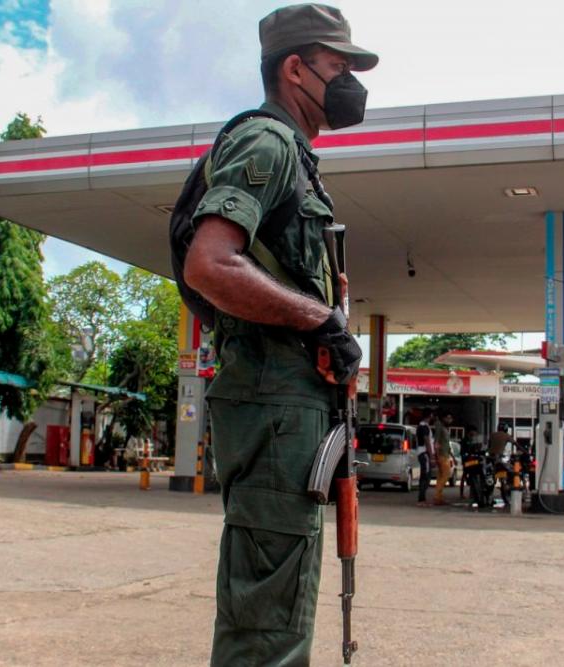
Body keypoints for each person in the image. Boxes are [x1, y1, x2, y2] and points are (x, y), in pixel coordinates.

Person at [181, 4, 376, 664]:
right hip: (271, 412)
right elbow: (210, 263)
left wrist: (327, 319)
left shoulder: (297, 156)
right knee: (266, 629)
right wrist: (318, 318)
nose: (349, 81)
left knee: (280, 612)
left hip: (287, 410)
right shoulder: (265, 142)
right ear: (295, 70)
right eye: (338, 67)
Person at [433, 411, 453, 505]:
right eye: (448, 418)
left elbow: (447, 445)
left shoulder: (445, 428)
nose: (450, 420)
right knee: (446, 475)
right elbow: (436, 442)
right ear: (444, 418)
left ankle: (439, 497)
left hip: (446, 454)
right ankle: (437, 496)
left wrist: (452, 456)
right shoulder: (440, 428)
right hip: (442, 455)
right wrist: (436, 456)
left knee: (441, 476)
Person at [415, 409, 435, 506]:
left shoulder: (422, 426)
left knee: (426, 476)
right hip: (424, 453)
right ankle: (421, 499)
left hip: (423, 453)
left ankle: (422, 498)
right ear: (430, 416)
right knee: (425, 476)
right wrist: (431, 456)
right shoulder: (424, 427)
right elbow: (427, 441)